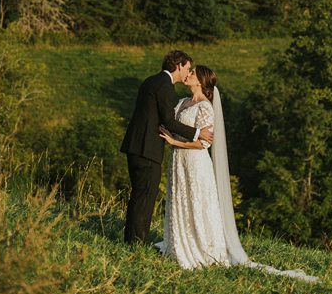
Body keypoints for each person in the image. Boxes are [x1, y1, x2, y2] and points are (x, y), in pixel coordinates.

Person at [157, 65, 318, 282]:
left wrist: (174, 142)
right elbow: (174, 124)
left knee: (196, 203)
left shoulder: (205, 108)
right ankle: (178, 243)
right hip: (178, 161)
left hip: (195, 163)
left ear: (201, 82)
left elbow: (203, 143)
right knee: (180, 201)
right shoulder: (182, 102)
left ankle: (202, 249)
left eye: (193, 73)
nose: (189, 74)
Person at [120, 50, 214, 245]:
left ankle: (132, 239)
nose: (188, 73)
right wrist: (197, 133)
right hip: (148, 149)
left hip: (135, 145)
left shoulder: (151, 80)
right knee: (145, 196)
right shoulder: (165, 86)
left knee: (139, 194)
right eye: (188, 68)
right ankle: (136, 242)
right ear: (178, 65)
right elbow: (169, 121)